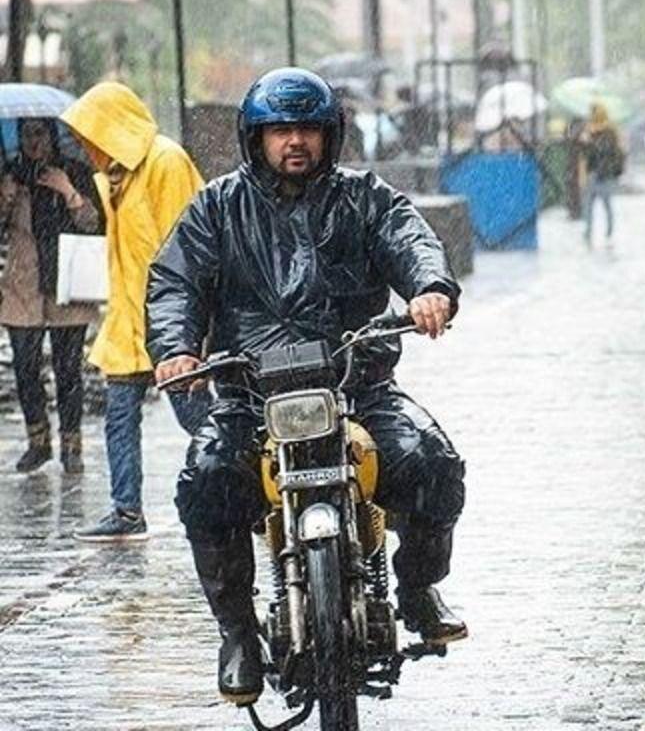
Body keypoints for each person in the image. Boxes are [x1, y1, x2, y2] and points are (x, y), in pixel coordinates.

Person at [145, 67, 468, 704]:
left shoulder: (365, 198)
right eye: (280, 130)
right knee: (206, 482)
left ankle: (418, 587)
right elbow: (174, 282)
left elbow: (410, 238)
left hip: (360, 385)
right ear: (255, 138)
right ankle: (237, 632)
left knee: (433, 463)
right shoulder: (215, 208)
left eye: (308, 129)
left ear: (330, 135)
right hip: (249, 394)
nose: (295, 142)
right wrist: (177, 348)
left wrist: (431, 288)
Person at [60, 82, 212, 542]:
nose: (85, 148)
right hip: (127, 321)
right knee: (119, 416)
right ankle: (126, 509)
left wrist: (197, 331)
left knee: (199, 419)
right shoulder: (111, 177)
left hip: (171, 322)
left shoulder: (166, 162)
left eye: (91, 136)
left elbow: (194, 243)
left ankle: (243, 490)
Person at [0, 118, 103, 473]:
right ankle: (37, 440)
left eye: (40, 132)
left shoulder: (74, 170)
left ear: (52, 135)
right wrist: (7, 198)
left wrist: (68, 191)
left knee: (68, 369)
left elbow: (94, 223)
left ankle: (71, 445)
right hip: (23, 285)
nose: (33, 141)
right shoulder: (10, 173)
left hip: (67, 284)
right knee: (26, 366)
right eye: (26, 133)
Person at [580, 103, 624, 245]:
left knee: (590, 205)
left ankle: (591, 232)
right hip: (604, 174)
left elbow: (595, 153)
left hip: (596, 174)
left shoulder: (597, 132)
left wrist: (589, 142)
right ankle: (606, 232)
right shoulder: (611, 131)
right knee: (604, 204)